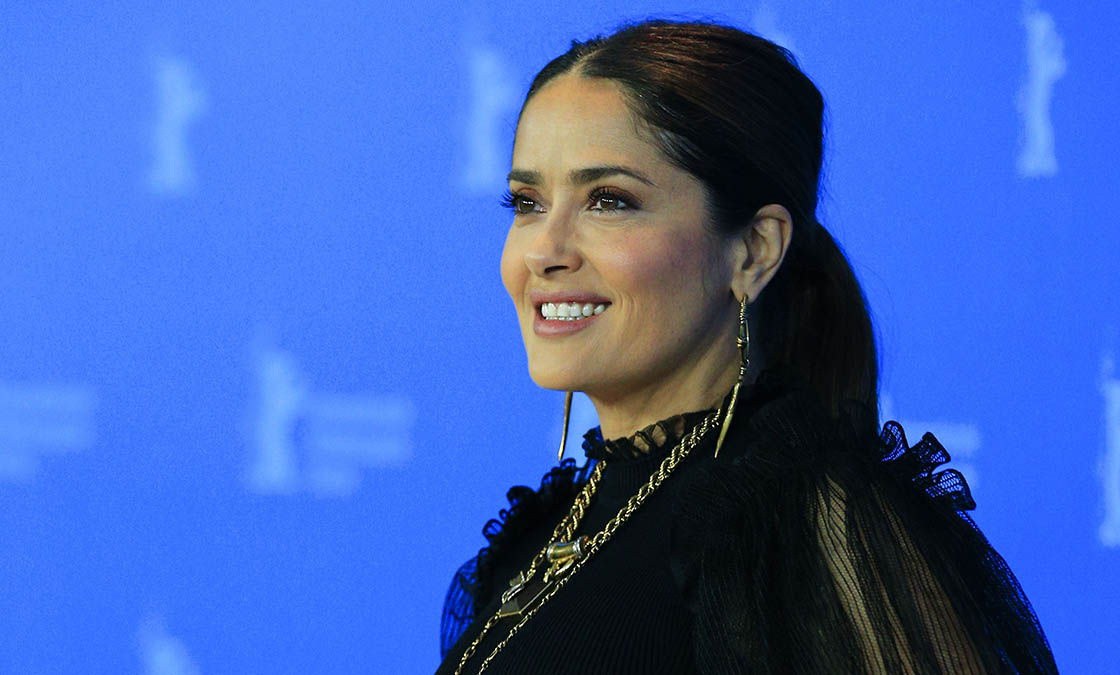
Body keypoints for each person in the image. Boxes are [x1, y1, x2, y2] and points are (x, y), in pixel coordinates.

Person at [437, 19, 1057, 675]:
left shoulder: (811, 530)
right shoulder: (539, 535)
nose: (544, 251)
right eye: (527, 202)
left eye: (609, 200)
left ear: (755, 250)